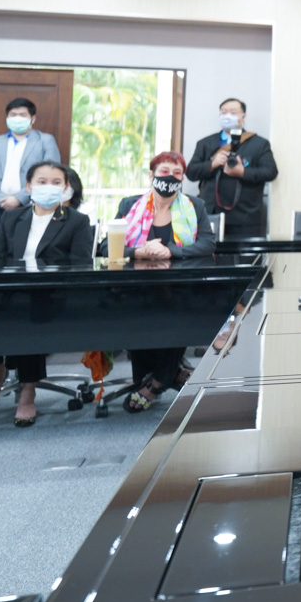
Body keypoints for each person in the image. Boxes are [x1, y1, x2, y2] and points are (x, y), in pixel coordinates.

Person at [0, 159, 94, 426]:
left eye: (56, 182)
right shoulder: (11, 217)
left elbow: (80, 264)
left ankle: (28, 392)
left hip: (51, 294)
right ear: (29, 186)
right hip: (10, 288)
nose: (48, 187)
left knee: (27, 313)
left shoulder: (76, 221)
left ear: (65, 188)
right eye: (42, 182)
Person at [111, 150, 217, 410]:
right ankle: (173, 373)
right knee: (137, 311)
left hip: (181, 286)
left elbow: (208, 244)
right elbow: (108, 246)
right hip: (136, 285)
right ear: (152, 175)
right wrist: (137, 252)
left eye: (177, 173)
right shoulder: (129, 205)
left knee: (177, 311)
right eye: (164, 172)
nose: (170, 177)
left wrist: (171, 251)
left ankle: (156, 382)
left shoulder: (195, 206)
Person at [186, 98, 278, 239]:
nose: (227, 116)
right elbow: (191, 172)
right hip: (211, 213)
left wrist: (242, 172)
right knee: (208, 251)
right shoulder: (206, 143)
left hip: (246, 215)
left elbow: (270, 172)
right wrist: (212, 164)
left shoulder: (259, 144)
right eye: (224, 112)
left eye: (233, 112)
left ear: (243, 116)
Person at [0, 97, 61, 238]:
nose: (17, 118)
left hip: (30, 207)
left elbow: (50, 175)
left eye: (23, 115)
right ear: (7, 118)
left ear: (33, 119)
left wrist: (19, 198)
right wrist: (1, 198)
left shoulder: (45, 141)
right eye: (13, 115)